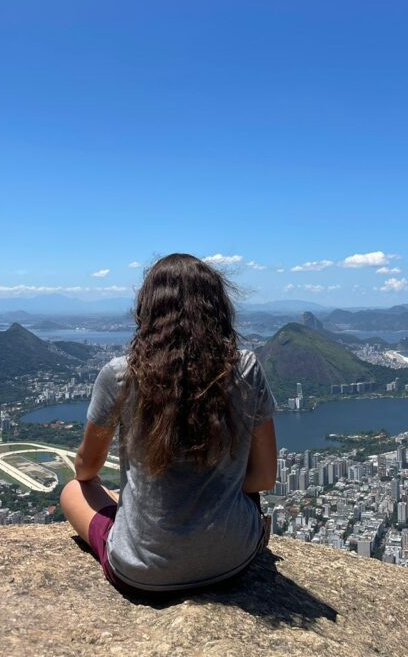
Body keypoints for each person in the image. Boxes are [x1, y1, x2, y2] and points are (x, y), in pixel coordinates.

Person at [60, 253, 278, 596]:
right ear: (217, 308)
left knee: (73, 489)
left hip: (141, 573)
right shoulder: (245, 368)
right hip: (234, 559)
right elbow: (264, 478)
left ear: (147, 309)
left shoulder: (121, 374)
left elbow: (86, 468)